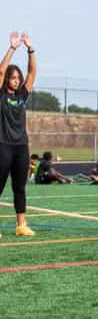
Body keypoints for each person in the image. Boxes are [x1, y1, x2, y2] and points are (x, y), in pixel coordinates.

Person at [0, 32, 37, 237]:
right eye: (12, 78)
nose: (16, 81)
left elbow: (32, 73)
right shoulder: (1, 94)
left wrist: (30, 49)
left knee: (20, 187)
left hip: (21, 146)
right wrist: (13, 48)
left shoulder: (22, 95)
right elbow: (0, 71)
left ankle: (21, 225)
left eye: (17, 78)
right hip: (2, 144)